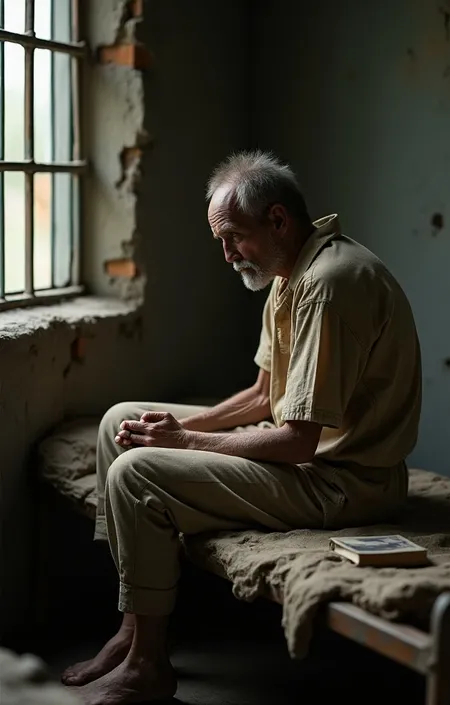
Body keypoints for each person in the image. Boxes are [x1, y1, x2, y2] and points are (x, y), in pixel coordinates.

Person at [64, 150, 422, 704]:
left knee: (137, 473)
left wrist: (183, 439)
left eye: (233, 237)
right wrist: (169, 426)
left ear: (277, 220)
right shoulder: (289, 274)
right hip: (306, 461)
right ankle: (134, 628)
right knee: (122, 421)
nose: (227, 254)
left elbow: (298, 440)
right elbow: (263, 395)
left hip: (342, 484)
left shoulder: (329, 285)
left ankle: (148, 665)